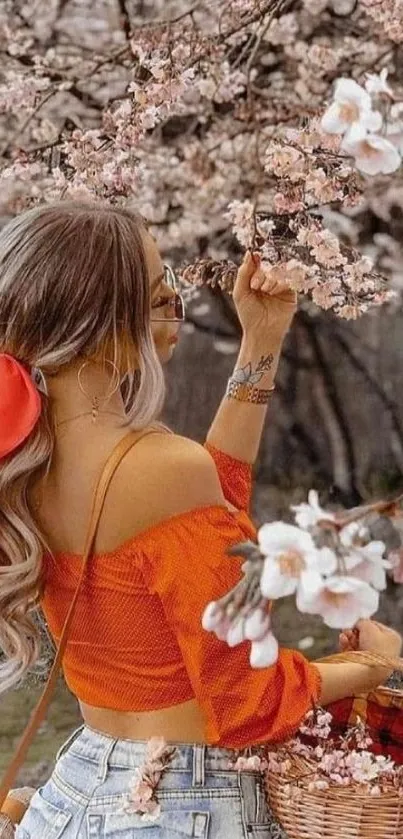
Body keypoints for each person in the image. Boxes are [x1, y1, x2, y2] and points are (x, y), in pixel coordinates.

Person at [0, 201, 400, 839]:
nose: (175, 318)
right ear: (103, 324)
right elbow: (251, 702)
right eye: (161, 299)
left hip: (80, 788)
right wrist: (370, 670)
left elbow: (216, 521)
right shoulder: (158, 466)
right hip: (188, 801)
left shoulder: (25, 460)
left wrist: (261, 341)